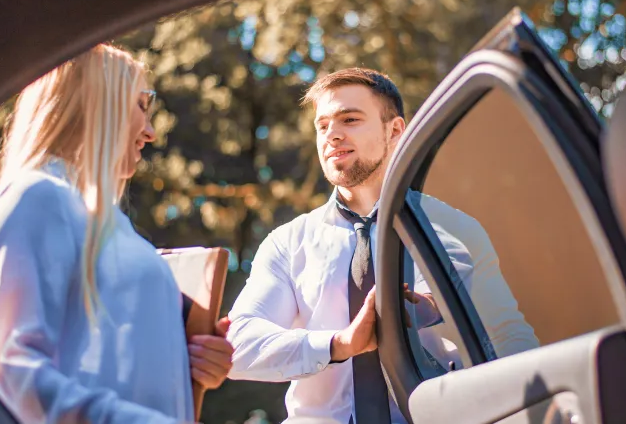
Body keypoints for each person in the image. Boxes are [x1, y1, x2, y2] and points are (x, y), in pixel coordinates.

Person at [226, 68, 538, 424]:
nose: (332, 134)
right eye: (322, 125)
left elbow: (510, 340)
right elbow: (236, 345)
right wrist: (338, 344)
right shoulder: (287, 243)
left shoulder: (457, 230)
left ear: (395, 131)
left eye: (350, 119)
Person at [0, 44, 233, 423]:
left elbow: (106, 363)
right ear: (96, 100)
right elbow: (11, 373)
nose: (150, 133)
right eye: (142, 105)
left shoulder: (108, 224)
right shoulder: (37, 197)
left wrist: (191, 364)